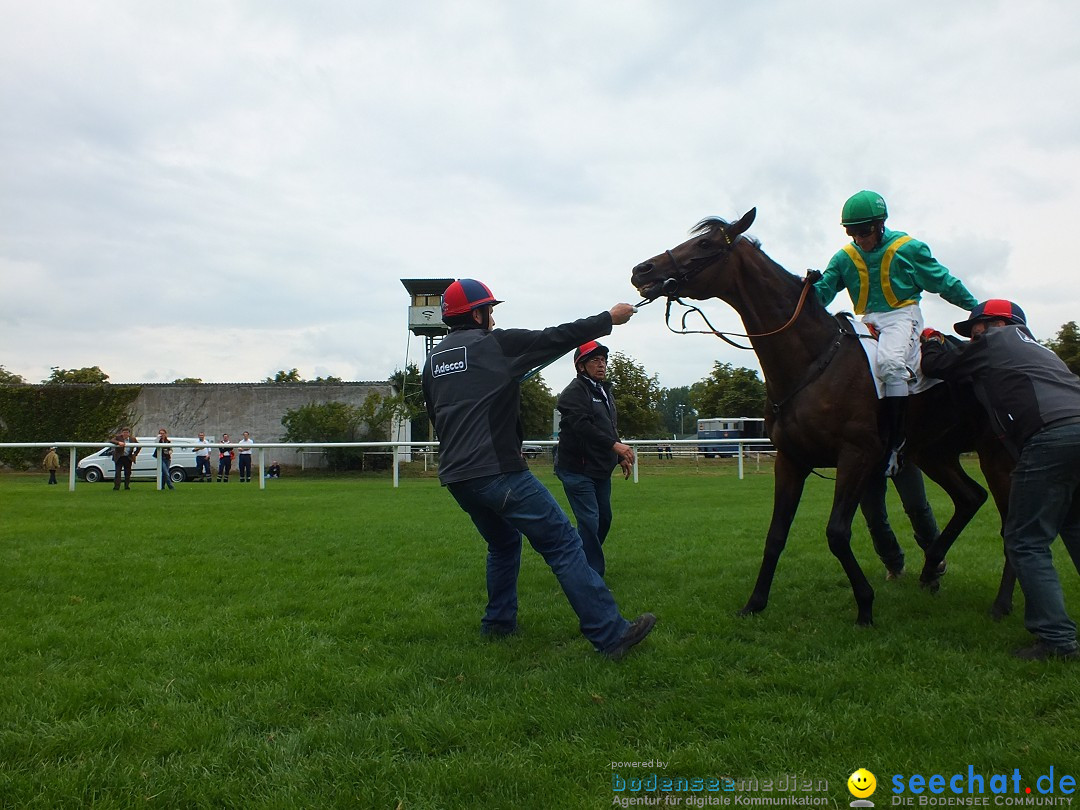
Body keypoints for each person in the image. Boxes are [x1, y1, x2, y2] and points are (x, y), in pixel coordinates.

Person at [421, 278, 656, 659]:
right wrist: (608, 318)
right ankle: (611, 635)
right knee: (563, 542)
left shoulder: (432, 363)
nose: (493, 319)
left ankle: (498, 624)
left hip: (457, 478)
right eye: (490, 312)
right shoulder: (495, 344)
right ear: (477, 314)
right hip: (500, 472)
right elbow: (555, 337)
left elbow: (436, 415)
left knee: (503, 543)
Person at [921, 299, 1080, 660]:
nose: (972, 335)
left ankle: (1056, 640)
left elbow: (936, 366)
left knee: (1024, 540)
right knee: (1074, 526)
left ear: (998, 323)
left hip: (1049, 437)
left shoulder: (994, 343)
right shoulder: (1044, 351)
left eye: (976, 327)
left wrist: (931, 338)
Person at [814, 190, 978, 476]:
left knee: (891, 363)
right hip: (866, 321)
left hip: (903, 315)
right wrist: (806, 287)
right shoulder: (843, 258)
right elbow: (823, 295)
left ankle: (896, 440)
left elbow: (944, 282)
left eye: (864, 231)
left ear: (880, 224)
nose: (859, 239)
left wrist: (977, 310)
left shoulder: (908, 248)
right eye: (852, 232)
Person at [554, 341, 635, 578]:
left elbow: (609, 427)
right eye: (595, 360)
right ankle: (591, 577)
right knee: (589, 521)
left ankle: (576, 560)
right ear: (581, 367)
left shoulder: (605, 391)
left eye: (603, 360)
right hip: (576, 469)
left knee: (604, 519)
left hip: (599, 468)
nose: (601, 365)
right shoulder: (573, 393)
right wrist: (615, 446)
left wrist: (619, 456)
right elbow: (583, 426)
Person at [860, 463, 941, 580]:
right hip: (868, 458)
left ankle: (935, 553)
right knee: (874, 517)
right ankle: (893, 564)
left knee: (916, 507)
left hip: (901, 453)